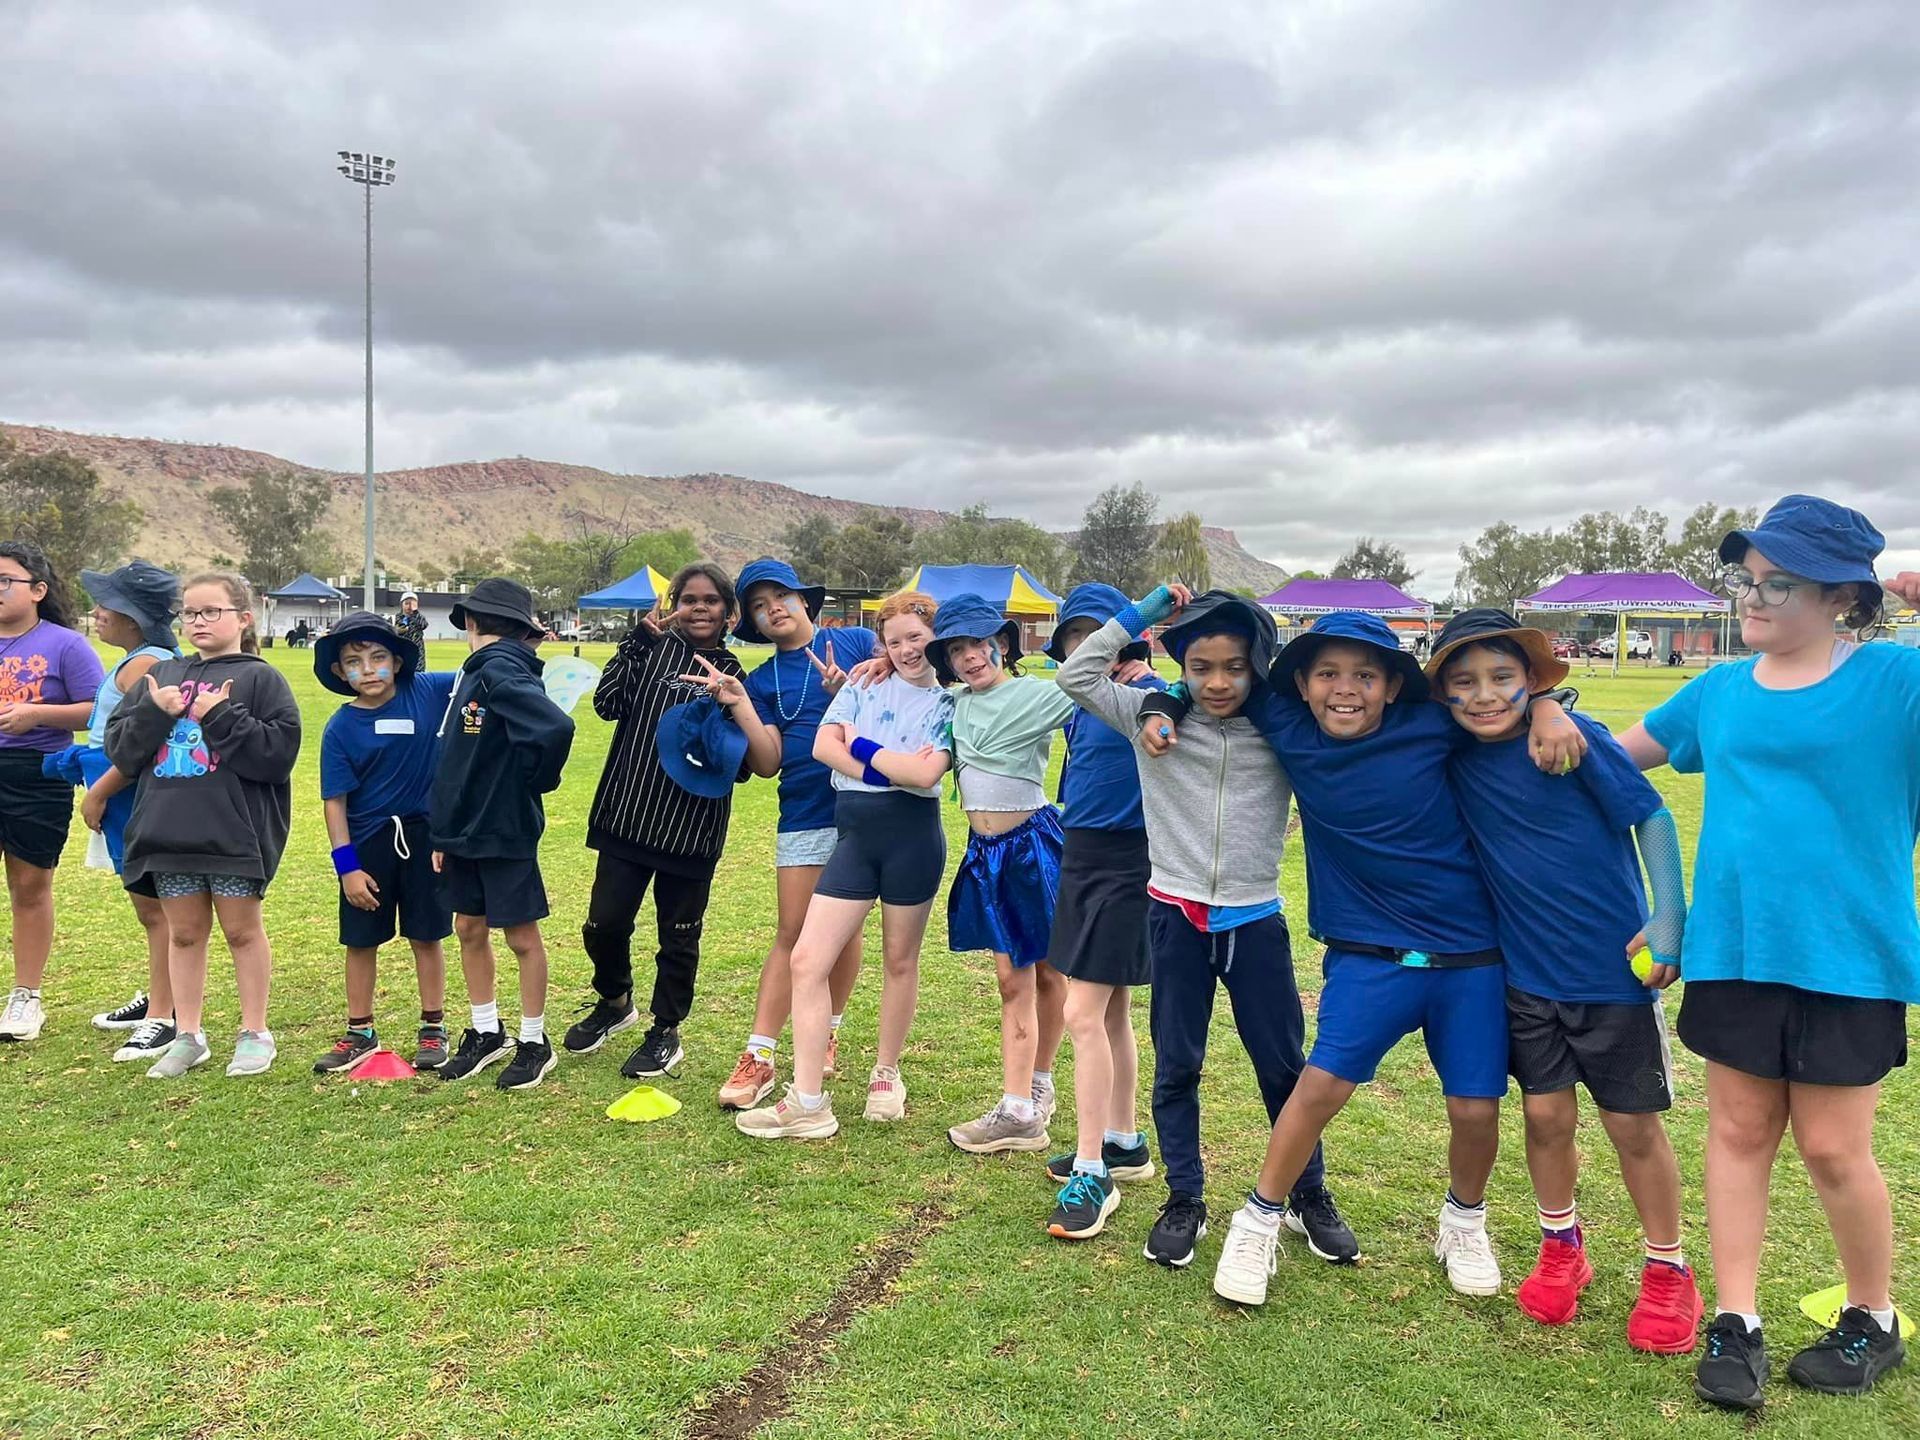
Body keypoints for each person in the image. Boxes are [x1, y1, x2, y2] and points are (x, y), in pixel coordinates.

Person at [1136, 609, 1585, 1304]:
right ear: (1301, 686)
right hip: (1368, 954)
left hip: (1470, 955)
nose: (1345, 690)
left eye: (1365, 676)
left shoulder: (1432, 726)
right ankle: (1258, 1219)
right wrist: (1164, 700)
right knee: (1318, 1088)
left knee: (1474, 1110)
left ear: (1393, 686)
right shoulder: (1285, 723)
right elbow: (1206, 675)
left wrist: (1552, 705)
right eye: (1327, 675)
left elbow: (1492, 702)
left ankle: (1463, 1222)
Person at [1616, 496, 1920, 1410]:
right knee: (1740, 1135)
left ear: (1841, 599)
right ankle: (1737, 1321)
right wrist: (1543, 724)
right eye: (1747, 579)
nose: (1754, 597)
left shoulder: (1895, 684)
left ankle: (1874, 1317)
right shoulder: (1717, 693)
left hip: (1850, 957)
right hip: (1735, 952)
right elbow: (1610, 762)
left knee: (1834, 1149)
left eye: (1777, 581)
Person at [1058, 584, 1355, 1272]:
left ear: (1257, 665)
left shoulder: (1284, 725)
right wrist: (1143, 616)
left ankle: (1309, 1193)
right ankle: (1183, 1199)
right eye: (1200, 667)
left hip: (1256, 922)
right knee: (1177, 1065)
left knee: (1284, 1069)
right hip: (1174, 918)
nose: (1218, 682)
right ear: (1179, 666)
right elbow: (1076, 674)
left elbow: (1360, 704)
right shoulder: (1144, 716)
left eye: (1234, 667)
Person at [1430, 608, 1701, 1354]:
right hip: (1523, 979)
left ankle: (1668, 1270)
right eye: (1464, 683)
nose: (1485, 695)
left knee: (1631, 1127)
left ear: (1532, 681)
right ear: (1443, 694)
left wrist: (1669, 918)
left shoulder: (1576, 742)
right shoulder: (1450, 754)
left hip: (1612, 975)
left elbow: (1653, 820)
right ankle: (1561, 1247)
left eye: (1504, 679)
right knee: (1546, 1120)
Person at [736, 591, 953, 1139]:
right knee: (807, 959)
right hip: (854, 836)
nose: (905, 649)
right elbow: (823, 749)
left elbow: (926, 776)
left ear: (937, 637)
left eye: (916, 638)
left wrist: (859, 744)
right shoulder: (862, 682)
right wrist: (884, 765)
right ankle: (809, 1102)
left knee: (899, 961)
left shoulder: (953, 702)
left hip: (913, 838)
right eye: (894, 640)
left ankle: (886, 1074)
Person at [562, 563, 769, 1079]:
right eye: (690, 598)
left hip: (691, 829)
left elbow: (744, 767)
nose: (700, 608)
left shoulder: (738, 678)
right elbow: (608, 705)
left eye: (711, 601)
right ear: (673, 604)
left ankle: (664, 1031)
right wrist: (634, 642)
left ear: (729, 612)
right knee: (603, 925)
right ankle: (614, 1001)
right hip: (626, 814)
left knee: (678, 936)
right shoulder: (651, 651)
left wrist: (722, 716)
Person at [104, 572, 299, 1078]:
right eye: (189, 613)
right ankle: (187, 1034)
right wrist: (153, 710)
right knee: (184, 934)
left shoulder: (262, 678)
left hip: (233, 835)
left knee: (241, 932)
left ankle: (255, 1032)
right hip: (167, 833)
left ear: (243, 619)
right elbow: (122, 751)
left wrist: (220, 716)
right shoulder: (164, 673)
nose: (198, 621)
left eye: (212, 611)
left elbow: (276, 758)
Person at [716, 558, 875, 1110]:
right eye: (759, 606)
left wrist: (850, 686)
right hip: (804, 810)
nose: (772, 609)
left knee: (846, 933)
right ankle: (759, 1054)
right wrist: (740, 708)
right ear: (754, 623)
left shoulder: (855, 641)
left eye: (779, 596)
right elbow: (767, 762)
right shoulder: (761, 681)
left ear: (805, 600)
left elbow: (905, 693)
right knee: (792, 931)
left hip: (865, 808)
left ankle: (826, 1028)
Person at [1039, 584, 1164, 1242]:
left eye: (1103, 634)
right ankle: (1123, 1142)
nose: (1089, 647)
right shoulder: (1082, 702)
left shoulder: (1149, 693)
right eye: (1076, 636)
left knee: (1080, 1014)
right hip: (1080, 855)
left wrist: (1146, 644)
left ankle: (1093, 1172)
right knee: (1109, 1008)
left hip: (1128, 862)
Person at [931, 593, 1075, 1156]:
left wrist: (1146, 618)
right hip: (984, 852)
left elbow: (1094, 680)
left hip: (1033, 847)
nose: (969, 657)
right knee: (1012, 978)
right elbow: (907, 676)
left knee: (1048, 974)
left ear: (1002, 644)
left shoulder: (1036, 695)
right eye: (957, 649)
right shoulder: (954, 705)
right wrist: (871, 666)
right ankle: (1020, 1107)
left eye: (977, 643)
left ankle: (1034, 1091)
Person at [429, 578, 575, 1090]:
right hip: (462, 832)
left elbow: (555, 729)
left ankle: (535, 1041)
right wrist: (442, 835)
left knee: (520, 935)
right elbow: (457, 759)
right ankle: (487, 1031)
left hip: (503, 830)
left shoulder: (498, 669)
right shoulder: (478, 673)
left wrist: (536, 781)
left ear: (471, 622)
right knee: (468, 928)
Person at [311, 612, 457, 1074]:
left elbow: (484, 671)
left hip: (426, 839)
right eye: (353, 661)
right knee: (361, 940)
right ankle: (360, 1031)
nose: (368, 669)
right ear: (339, 672)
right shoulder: (340, 728)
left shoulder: (429, 691)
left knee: (427, 934)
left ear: (396, 661)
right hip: (368, 844)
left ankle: (433, 1026)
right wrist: (346, 867)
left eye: (378, 657)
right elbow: (335, 803)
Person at [73, 561, 182, 1063]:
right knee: (147, 907)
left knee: (155, 906)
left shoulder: (148, 664)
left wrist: (99, 791)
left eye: (105, 605)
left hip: (128, 788)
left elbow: (140, 742)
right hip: (114, 783)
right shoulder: (137, 658)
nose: (96, 613)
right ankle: (160, 995)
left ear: (132, 617)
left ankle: (166, 1014)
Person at [0, 542, 106, 1043]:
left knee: (28, 885)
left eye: (6, 581)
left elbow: (98, 711)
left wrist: (38, 714)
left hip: (35, 774)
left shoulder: (66, 645)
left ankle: (26, 997)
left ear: (38, 591)